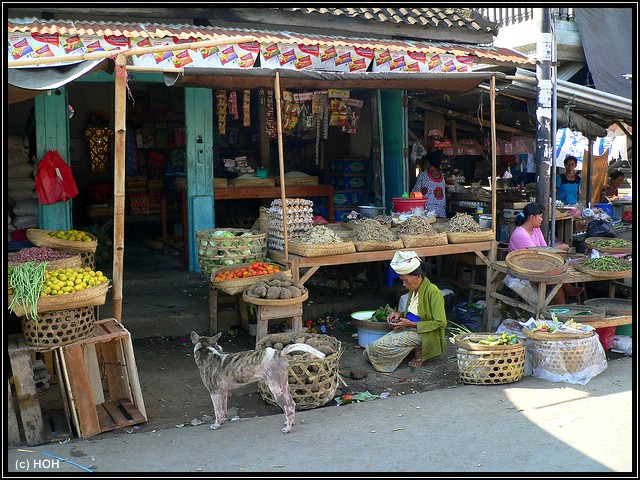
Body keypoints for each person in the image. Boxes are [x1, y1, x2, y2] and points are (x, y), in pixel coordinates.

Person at [363, 250, 447, 372]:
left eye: (406, 280)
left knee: (377, 347)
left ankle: (420, 349)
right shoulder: (414, 289)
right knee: (369, 350)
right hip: (408, 328)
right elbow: (414, 311)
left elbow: (441, 323)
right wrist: (399, 314)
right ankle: (411, 350)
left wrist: (411, 324)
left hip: (422, 333)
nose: (403, 284)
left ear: (418, 277)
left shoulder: (433, 292)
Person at [508, 203, 582, 304]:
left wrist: (554, 250)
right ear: (532, 217)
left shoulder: (536, 230)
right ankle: (562, 304)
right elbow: (538, 253)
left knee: (559, 268)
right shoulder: (521, 234)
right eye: (540, 217)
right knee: (555, 275)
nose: (542, 219)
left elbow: (544, 248)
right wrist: (559, 248)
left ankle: (566, 293)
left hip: (534, 262)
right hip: (522, 266)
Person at [412, 150, 446, 218]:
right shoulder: (441, 177)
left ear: (427, 162)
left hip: (428, 213)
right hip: (441, 213)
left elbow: (414, 193)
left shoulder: (423, 176)